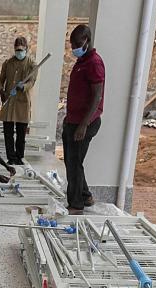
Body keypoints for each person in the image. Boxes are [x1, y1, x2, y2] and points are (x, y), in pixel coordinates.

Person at [62, 24, 105, 214]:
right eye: (72, 44)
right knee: (73, 161)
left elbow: (97, 96)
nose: (74, 48)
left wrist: (83, 125)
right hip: (73, 120)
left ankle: (76, 205)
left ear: (86, 40)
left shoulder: (94, 62)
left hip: (85, 123)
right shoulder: (82, 61)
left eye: (77, 44)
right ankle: (86, 195)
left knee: (74, 162)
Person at [0, 36, 37, 165]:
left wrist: (23, 86)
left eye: (21, 49)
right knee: (8, 133)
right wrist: (0, 91)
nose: (19, 52)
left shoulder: (32, 64)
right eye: (17, 49)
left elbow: (32, 81)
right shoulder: (8, 63)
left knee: (21, 134)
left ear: (26, 49)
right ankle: (11, 157)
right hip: (9, 101)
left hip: (22, 102)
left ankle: (19, 157)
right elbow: (0, 80)